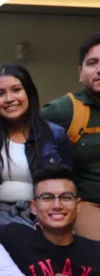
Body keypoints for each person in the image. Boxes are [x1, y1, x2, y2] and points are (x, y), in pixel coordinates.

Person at [0, 63, 71, 226]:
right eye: (0, 93)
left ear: (29, 92)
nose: (9, 99)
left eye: (16, 90)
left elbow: (67, 183)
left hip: (42, 211)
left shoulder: (54, 134)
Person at [42, 33, 100, 240]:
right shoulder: (64, 110)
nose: (99, 69)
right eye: (92, 63)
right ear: (80, 72)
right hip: (89, 204)